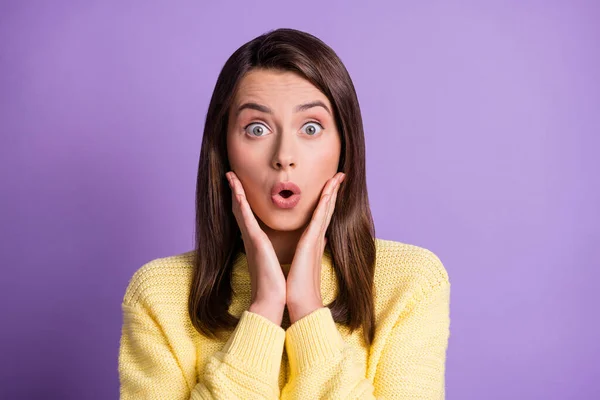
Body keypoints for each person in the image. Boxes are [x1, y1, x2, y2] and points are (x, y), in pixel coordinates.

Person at [118, 28, 450, 399]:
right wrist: (263, 310)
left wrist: (307, 309)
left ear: (344, 145)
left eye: (311, 127)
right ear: (223, 148)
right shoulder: (160, 294)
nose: (283, 156)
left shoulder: (411, 283)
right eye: (256, 128)